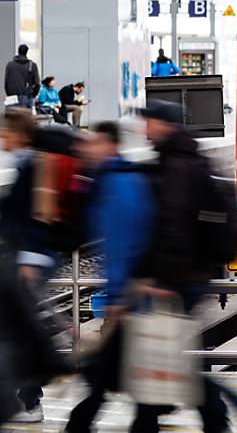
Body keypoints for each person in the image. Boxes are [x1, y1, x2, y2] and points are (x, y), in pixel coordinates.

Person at [131, 100, 229, 432]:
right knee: (169, 353)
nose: (145, 129)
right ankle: (151, 419)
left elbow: (172, 226)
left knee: (167, 354)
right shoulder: (186, 158)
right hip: (189, 274)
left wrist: (161, 277)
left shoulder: (176, 165)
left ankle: (211, 419)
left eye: (150, 122)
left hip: (178, 278)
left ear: (165, 125)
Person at [65, 122, 156, 433]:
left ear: (109, 144)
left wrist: (118, 298)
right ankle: (148, 421)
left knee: (104, 373)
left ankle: (80, 426)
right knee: (118, 373)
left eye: (95, 142)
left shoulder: (118, 183)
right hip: (131, 296)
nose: (88, 149)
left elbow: (123, 244)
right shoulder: (110, 180)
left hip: (128, 298)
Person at [0, 108, 52, 424]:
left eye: (6, 131)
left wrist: (30, 259)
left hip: (27, 262)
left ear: (19, 133)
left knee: (17, 331)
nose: (2, 137)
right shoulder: (25, 163)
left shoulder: (34, 165)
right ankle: (26, 399)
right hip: (22, 259)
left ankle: (30, 402)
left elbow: (36, 216)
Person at [5, 44, 39, 110]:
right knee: (26, 119)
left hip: (12, 97)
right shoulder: (32, 65)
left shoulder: (10, 65)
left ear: (18, 51)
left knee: (12, 118)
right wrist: (32, 94)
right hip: (27, 97)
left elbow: (6, 83)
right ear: (27, 52)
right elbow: (37, 84)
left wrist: (9, 94)